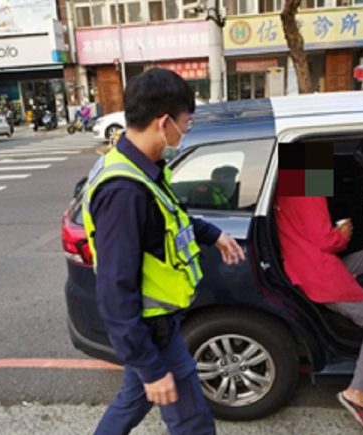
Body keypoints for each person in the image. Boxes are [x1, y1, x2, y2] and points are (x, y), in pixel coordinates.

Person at [82, 68, 245, 435]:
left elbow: (171, 218)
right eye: (186, 122)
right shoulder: (124, 191)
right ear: (164, 122)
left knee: (133, 400)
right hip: (150, 328)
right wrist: (151, 366)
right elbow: (114, 290)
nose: (186, 132)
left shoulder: (142, 168)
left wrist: (213, 234)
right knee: (194, 424)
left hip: (156, 324)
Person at [274, 194, 363, 434]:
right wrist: (343, 234)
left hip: (302, 266)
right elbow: (326, 241)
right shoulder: (309, 193)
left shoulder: (288, 188)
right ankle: (357, 392)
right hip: (321, 275)